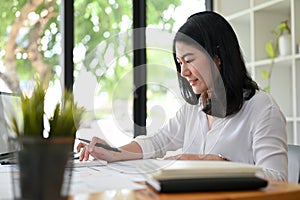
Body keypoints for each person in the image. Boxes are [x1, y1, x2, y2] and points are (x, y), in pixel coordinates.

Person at [77, 11, 288, 181]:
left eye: (189, 60)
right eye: (179, 63)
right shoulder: (195, 108)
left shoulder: (261, 108)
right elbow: (158, 142)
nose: (183, 72)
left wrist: (218, 164)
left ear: (217, 57)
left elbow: (278, 178)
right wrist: (112, 152)